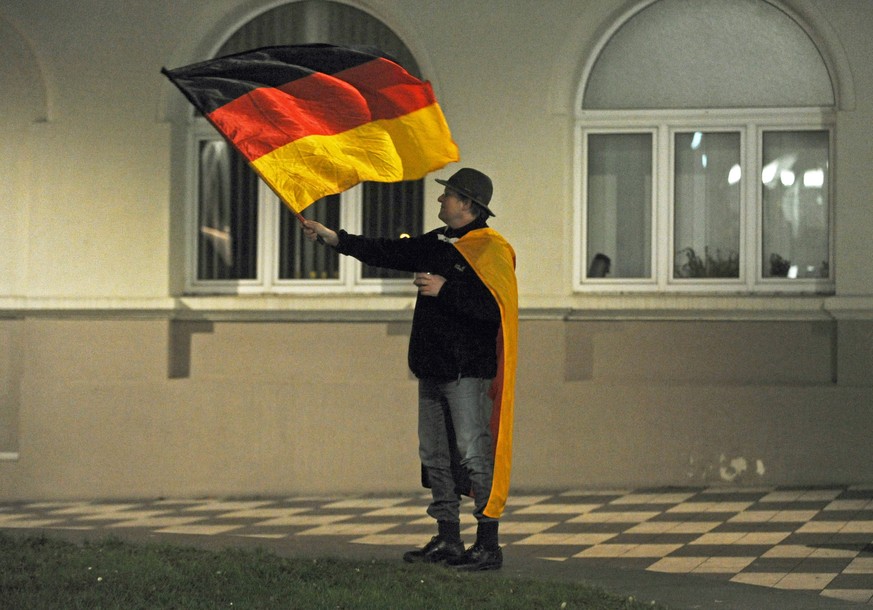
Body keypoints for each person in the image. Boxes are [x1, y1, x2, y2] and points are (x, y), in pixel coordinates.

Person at [302, 167, 518, 572]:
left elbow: (495, 312)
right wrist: (334, 238)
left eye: (448, 195)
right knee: (434, 455)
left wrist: (445, 289)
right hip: (432, 367)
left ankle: (487, 544)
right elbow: (387, 251)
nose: (440, 201)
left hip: (465, 372)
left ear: (468, 205)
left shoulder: (491, 250)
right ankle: (448, 538)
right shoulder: (437, 242)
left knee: (473, 454)